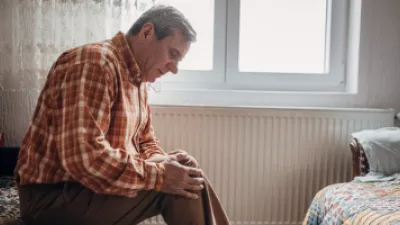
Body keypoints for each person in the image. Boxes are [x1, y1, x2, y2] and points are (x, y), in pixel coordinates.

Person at [14, 5, 230, 225]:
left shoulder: (138, 80)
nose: (173, 69)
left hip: (86, 190)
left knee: (185, 168)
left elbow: (146, 142)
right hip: (52, 199)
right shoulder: (95, 63)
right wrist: (162, 176)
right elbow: (84, 159)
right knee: (179, 186)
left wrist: (167, 164)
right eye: (172, 55)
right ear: (147, 32)